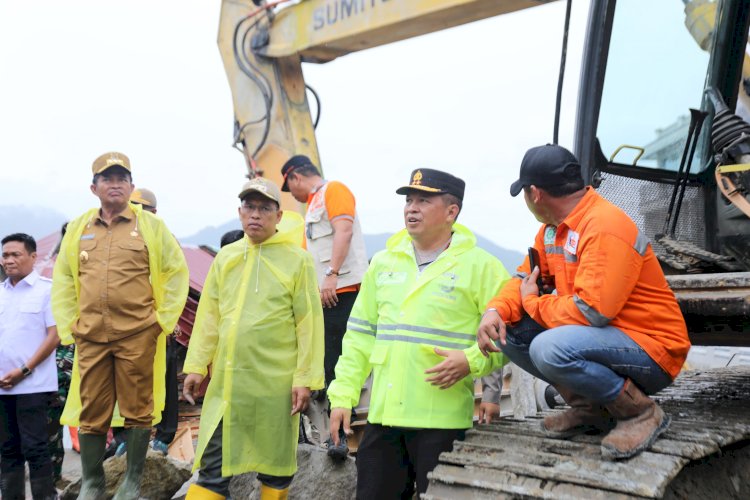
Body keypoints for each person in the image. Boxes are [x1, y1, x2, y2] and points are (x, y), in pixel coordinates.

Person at [477, 144, 691, 460]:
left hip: (652, 350)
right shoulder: (552, 232)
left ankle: (639, 413)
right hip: (603, 342)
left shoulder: (604, 225)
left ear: (534, 193)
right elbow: (524, 279)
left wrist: (534, 303)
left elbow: (592, 312)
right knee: (506, 327)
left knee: (548, 348)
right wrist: (494, 311)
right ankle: (590, 409)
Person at [328, 169, 509, 499]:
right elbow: (358, 337)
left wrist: (471, 361)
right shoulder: (383, 264)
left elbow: (509, 336)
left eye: (424, 200)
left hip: (441, 423)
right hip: (384, 419)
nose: (411, 208)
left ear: (451, 212)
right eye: (408, 200)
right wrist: (342, 395)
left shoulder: (482, 267)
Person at [52, 152, 189, 499]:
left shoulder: (151, 226)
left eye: (122, 178)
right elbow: (64, 277)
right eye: (107, 178)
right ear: (93, 187)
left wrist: (161, 322)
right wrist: (70, 326)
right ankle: (93, 482)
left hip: (137, 334)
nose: (115, 184)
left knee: (138, 409)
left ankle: (132, 481)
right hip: (92, 336)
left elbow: (176, 272)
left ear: (131, 185)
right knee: (92, 410)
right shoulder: (80, 227)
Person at [182, 177, 324, 500]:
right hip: (229, 386)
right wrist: (196, 366)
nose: (255, 214)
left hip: (275, 386)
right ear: (239, 212)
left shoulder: (297, 261)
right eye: (249, 207)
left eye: (264, 208)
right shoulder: (226, 258)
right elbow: (208, 319)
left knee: (275, 466)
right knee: (212, 467)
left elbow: (309, 324)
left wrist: (305, 378)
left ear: (278, 216)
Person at [280, 155, 368, 457]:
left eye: (289, 187)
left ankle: (340, 434)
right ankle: (335, 431)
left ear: (294, 177)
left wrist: (331, 275)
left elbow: (343, 231)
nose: (292, 194)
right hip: (326, 297)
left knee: (343, 364)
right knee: (330, 364)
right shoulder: (313, 205)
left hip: (344, 292)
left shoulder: (334, 190)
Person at [0, 233, 60, 500]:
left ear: (33, 257)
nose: (9, 260)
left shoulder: (46, 290)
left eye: (16, 254)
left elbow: (54, 336)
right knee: (7, 449)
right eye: (5, 255)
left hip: (32, 385)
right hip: (2, 386)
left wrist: (24, 370)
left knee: (35, 447)